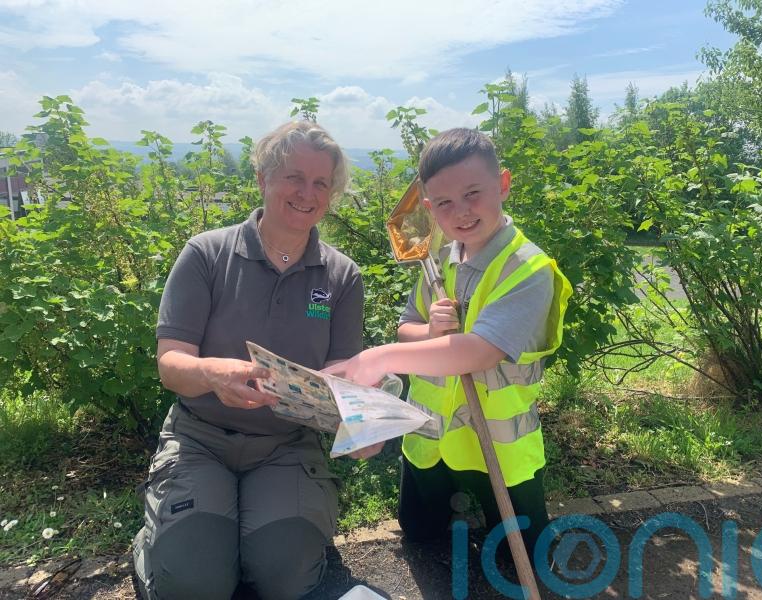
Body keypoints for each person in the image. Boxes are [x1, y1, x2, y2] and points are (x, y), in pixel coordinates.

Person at [133, 121, 373, 600]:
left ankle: (242, 541)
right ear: (263, 178)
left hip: (289, 445)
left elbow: (344, 376)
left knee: (286, 578)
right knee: (194, 583)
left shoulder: (342, 276)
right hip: (200, 438)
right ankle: (157, 546)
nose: (307, 193)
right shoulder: (206, 254)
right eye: (294, 177)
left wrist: (363, 425)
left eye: (321, 182)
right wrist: (210, 373)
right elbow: (170, 364)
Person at [323, 128, 572, 558]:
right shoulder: (435, 260)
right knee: (420, 533)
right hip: (431, 436)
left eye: (473, 193)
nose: (461, 212)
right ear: (428, 208)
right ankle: (449, 523)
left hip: (497, 447)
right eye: (444, 203)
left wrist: (377, 358)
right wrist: (430, 332)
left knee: (523, 555)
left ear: (503, 185)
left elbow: (478, 351)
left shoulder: (528, 269)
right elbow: (407, 328)